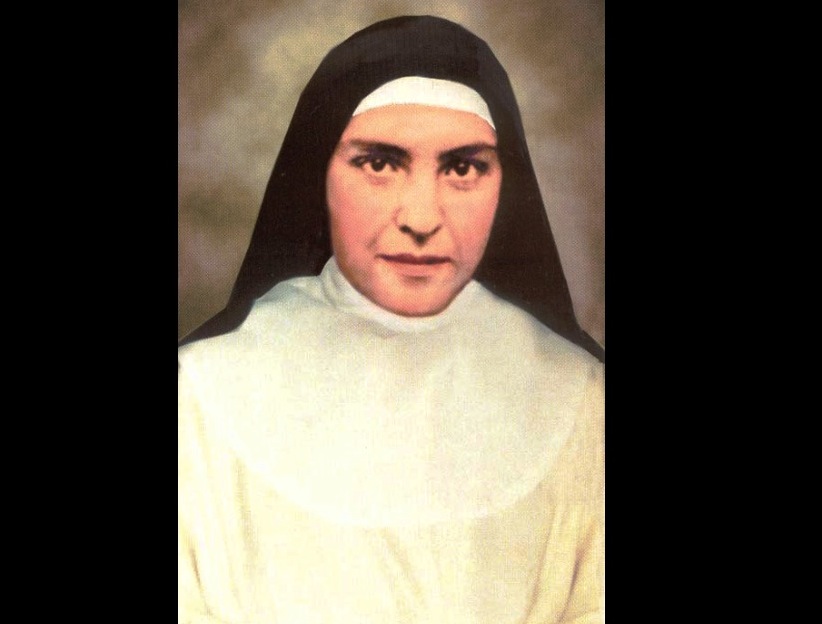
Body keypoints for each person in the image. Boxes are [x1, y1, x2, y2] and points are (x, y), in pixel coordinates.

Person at [178, 15, 604, 624]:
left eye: (463, 168)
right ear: (319, 174)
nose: (421, 218)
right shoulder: (198, 395)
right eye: (380, 163)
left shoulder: (582, 398)